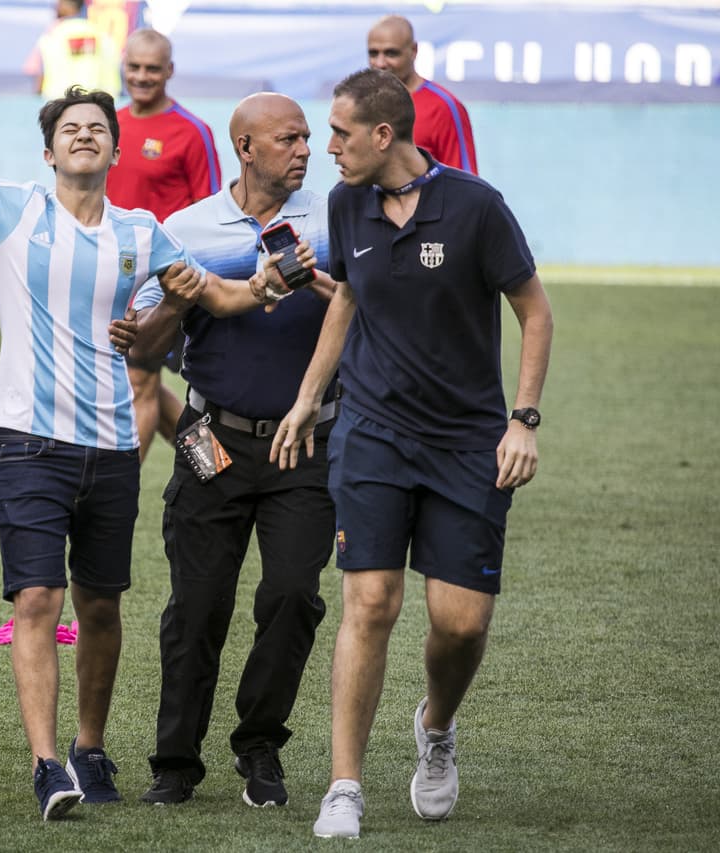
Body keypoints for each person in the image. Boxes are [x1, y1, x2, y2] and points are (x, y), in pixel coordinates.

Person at [0, 23, 290, 821]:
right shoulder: (10, 209)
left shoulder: (144, 234)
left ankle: (88, 743)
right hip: (30, 443)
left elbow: (214, 297)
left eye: (98, 130)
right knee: (36, 599)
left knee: (102, 605)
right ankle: (48, 764)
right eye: (70, 129)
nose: (84, 136)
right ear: (50, 153)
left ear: (115, 151)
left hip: (115, 444)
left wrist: (267, 286)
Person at [269, 68, 553, 839]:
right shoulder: (345, 202)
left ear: (384, 135)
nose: (324, 148)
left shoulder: (477, 207)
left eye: (339, 133)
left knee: (458, 623)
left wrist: (522, 419)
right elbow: (351, 298)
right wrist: (306, 397)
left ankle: (435, 724)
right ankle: (345, 785)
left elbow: (534, 311)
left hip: (467, 440)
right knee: (370, 602)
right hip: (372, 433)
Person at [129, 92, 338, 809]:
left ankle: (259, 746)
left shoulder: (335, 218)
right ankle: (175, 762)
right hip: (209, 439)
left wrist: (312, 279)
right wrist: (182, 299)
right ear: (244, 147)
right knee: (197, 605)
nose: (305, 149)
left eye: (308, 137)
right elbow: (147, 351)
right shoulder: (185, 229)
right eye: (289, 138)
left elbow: (365, 311)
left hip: (307, 446)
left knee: (291, 596)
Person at [106, 28, 222, 463]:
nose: (142, 76)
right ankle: (215, 468)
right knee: (139, 379)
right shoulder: (109, 124)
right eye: (134, 66)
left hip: (162, 282)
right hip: (111, 276)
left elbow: (211, 215)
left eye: (152, 68)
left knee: (138, 380)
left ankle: (115, 498)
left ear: (169, 70)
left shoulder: (193, 132)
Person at [367, 15, 477, 174]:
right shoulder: (363, 105)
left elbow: (466, 184)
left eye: (391, 53)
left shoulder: (443, 107)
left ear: (413, 50)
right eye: (373, 53)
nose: (380, 63)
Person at [24, 0, 122, 99]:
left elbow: (40, 74)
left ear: (67, 5)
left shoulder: (52, 36)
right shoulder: (103, 35)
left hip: (58, 104)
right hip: (101, 103)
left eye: (59, 3)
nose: (55, 7)